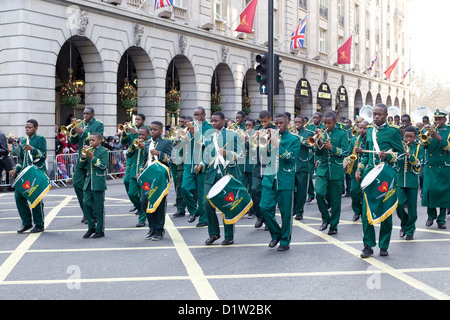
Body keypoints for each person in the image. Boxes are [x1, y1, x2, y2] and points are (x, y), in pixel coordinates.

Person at [355, 103, 405, 258]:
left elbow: (401, 155)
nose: (376, 116)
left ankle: (384, 245)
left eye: (379, 114)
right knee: (366, 213)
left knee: (386, 211)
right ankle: (368, 245)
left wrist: (387, 156)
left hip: (385, 175)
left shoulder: (393, 132)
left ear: (386, 116)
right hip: (370, 175)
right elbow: (365, 155)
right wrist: (360, 169)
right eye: (374, 114)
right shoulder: (369, 131)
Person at [260, 113, 300, 251]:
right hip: (269, 178)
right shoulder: (269, 136)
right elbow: (260, 154)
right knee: (264, 207)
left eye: (281, 123)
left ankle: (285, 240)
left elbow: (290, 157)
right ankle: (276, 233)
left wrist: (277, 144)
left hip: (285, 179)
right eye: (276, 123)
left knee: (286, 213)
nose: (278, 125)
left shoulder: (294, 139)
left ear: (288, 123)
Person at [200, 111, 241, 245]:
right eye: (211, 121)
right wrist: (201, 165)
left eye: (216, 121)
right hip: (211, 174)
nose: (213, 123)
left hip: (226, 173)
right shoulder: (208, 137)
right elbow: (206, 156)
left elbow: (240, 154)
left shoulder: (232, 135)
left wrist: (227, 153)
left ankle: (229, 236)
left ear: (223, 121)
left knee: (226, 204)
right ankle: (214, 233)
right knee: (206, 202)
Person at [313, 112, 350, 235]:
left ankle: (334, 225)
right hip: (322, 169)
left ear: (335, 122)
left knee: (335, 201)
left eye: (329, 123)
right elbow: (316, 152)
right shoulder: (322, 133)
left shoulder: (342, 134)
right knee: (318, 193)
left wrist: (331, 148)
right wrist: (317, 142)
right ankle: (325, 218)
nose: (327, 125)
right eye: (325, 123)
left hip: (336, 170)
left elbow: (345, 152)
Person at [10, 120, 47, 233]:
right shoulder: (23, 140)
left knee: (35, 198)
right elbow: (22, 159)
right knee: (18, 196)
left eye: (29, 127)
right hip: (25, 173)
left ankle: (39, 224)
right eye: (26, 127)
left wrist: (33, 149)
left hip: (35, 172)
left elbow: (43, 155)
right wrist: (16, 169)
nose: (27, 129)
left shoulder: (40, 139)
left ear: (36, 128)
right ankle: (26, 223)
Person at [70, 108, 104, 224]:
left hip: (92, 158)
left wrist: (82, 132)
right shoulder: (80, 124)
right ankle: (86, 211)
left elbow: (100, 138)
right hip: (82, 158)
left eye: (87, 114)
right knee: (76, 183)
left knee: (91, 188)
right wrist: (73, 132)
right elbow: (73, 142)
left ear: (93, 114)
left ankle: (93, 214)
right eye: (84, 113)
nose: (85, 116)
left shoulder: (99, 124)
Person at [140, 121, 173, 241]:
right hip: (148, 176)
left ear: (161, 130)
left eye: (155, 129)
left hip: (160, 177)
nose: (153, 131)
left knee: (159, 204)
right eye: (151, 129)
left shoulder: (166, 142)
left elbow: (171, 158)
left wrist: (159, 153)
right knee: (144, 201)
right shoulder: (148, 144)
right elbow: (144, 160)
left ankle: (159, 230)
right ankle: (152, 227)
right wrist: (140, 171)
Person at [180, 107, 213, 226]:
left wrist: (196, 133)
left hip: (202, 162)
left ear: (204, 114)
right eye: (195, 115)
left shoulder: (209, 127)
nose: (197, 117)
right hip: (189, 162)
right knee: (184, 188)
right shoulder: (190, 126)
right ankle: (194, 210)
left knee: (201, 193)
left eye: (199, 115)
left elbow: (208, 143)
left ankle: (203, 219)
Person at [422, 110, 450, 229]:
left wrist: (439, 138)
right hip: (430, 166)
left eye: (440, 119)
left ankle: (441, 219)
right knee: (429, 192)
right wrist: (426, 137)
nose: (438, 122)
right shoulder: (428, 129)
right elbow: (423, 144)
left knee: (443, 193)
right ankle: (431, 216)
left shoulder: (449, 131)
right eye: (436, 119)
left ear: (445, 119)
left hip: (443, 166)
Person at [79, 132, 109, 239]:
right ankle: (91, 227)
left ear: (99, 141)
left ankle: (100, 230)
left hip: (98, 181)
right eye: (90, 140)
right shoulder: (88, 150)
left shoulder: (104, 151)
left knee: (99, 207)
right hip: (88, 181)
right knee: (86, 203)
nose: (90, 142)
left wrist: (93, 157)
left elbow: (103, 166)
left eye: (93, 140)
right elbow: (81, 165)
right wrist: (83, 156)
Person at [396, 126, 424, 240]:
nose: (408, 139)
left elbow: (419, 163)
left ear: (415, 137)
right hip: (400, 180)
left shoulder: (419, 148)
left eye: (411, 137)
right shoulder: (399, 146)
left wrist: (409, 156)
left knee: (412, 207)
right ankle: (404, 223)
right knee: (399, 205)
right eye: (406, 136)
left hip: (412, 180)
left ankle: (410, 230)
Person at [251, 110, 277, 229]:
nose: (263, 124)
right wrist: (253, 137)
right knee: (255, 190)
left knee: (269, 193)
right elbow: (250, 146)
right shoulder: (258, 128)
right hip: (258, 165)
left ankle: (268, 218)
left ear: (270, 119)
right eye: (261, 121)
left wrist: (271, 136)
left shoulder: (275, 129)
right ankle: (259, 216)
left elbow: (277, 147)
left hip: (270, 165)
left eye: (265, 121)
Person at [120, 113, 147, 218]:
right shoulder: (131, 130)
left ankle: (141, 211)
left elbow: (143, 141)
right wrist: (124, 132)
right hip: (132, 161)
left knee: (141, 190)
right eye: (135, 119)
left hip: (141, 162)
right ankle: (136, 204)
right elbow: (123, 142)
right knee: (126, 181)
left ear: (143, 121)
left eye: (139, 119)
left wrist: (136, 134)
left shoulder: (145, 130)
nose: (136, 121)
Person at [126, 126, 151, 227]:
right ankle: (140, 209)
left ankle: (142, 219)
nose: (140, 136)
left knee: (143, 198)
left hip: (145, 175)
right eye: (139, 134)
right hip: (134, 172)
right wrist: (132, 146)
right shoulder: (135, 142)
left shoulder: (150, 143)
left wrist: (144, 146)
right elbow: (128, 155)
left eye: (143, 135)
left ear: (147, 135)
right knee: (131, 194)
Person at [292, 115, 314, 220]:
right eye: (295, 122)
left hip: (302, 165)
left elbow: (311, 144)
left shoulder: (308, 133)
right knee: (292, 189)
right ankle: (293, 209)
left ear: (303, 123)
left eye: (299, 122)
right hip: (291, 165)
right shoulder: (291, 133)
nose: (297, 124)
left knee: (301, 190)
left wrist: (300, 139)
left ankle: (300, 211)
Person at [347, 120, 368, 221]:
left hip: (367, 170)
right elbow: (349, 153)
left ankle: (364, 212)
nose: (362, 130)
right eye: (361, 128)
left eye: (365, 128)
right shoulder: (354, 139)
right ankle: (356, 211)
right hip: (355, 169)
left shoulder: (370, 139)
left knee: (365, 193)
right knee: (354, 191)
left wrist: (362, 150)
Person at [170, 115, 187, 218]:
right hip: (176, 161)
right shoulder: (177, 131)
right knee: (178, 184)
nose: (180, 123)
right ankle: (180, 208)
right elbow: (173, 144)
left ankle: (192, 206)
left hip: (186, 162)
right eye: (179, 121)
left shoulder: (188, 133)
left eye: (182, 122)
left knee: (187, 187)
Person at [305, 112, 325, 203]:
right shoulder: (309, 127)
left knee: (320, 176)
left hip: (319, 154)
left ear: (320, 118)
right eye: (313, 118)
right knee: (309, 176)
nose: (315, 119)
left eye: (316, 118)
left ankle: (321, 193)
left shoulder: (324, 127)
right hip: (310, 155)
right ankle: (310, 194)